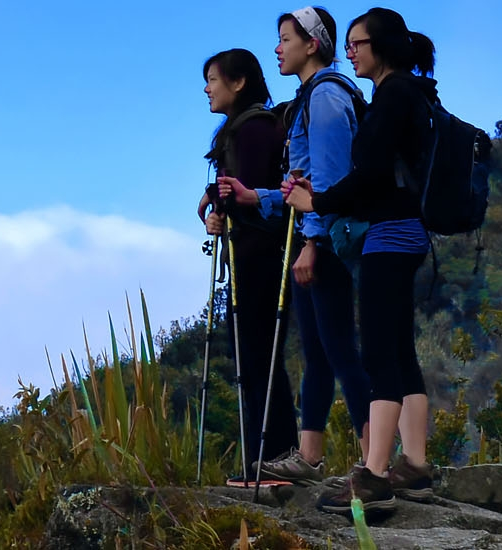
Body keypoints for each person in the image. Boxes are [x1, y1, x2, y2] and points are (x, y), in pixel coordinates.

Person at [283, 7, 440, 514]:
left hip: (389, 237)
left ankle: (374, 477)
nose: (350, 52)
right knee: (398, 351)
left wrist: (318, 203)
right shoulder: (409, 94)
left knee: (377, 356)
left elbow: (370, 174)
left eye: (358, 43)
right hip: (408, 233)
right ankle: (414, 464)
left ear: (383, 48)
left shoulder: (392, 96)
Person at [219, 6, 372, 487]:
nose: (278, 48)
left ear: (312, 44)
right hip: (314, 236)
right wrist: (256, 197)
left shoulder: (325, 97)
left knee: (340, 351)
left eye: (286, 38)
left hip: (320, 242)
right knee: (320, 352)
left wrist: (312, 243)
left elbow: (327, 181)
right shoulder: (311, 97)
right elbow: (297, 185)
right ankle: (309, 455)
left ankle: (373, 462)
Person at [194, 48, 298, 487]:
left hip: (259, 260)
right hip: (254, 257)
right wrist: (211, 210)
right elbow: (227, 194)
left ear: (238, 83)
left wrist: (222, 205)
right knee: (253, 359)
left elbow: (251, 193)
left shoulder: (253, 130)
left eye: (213, 79)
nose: (207, 88)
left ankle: (272, 457)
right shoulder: (243, 129)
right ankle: (266, 457)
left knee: (258, 359)